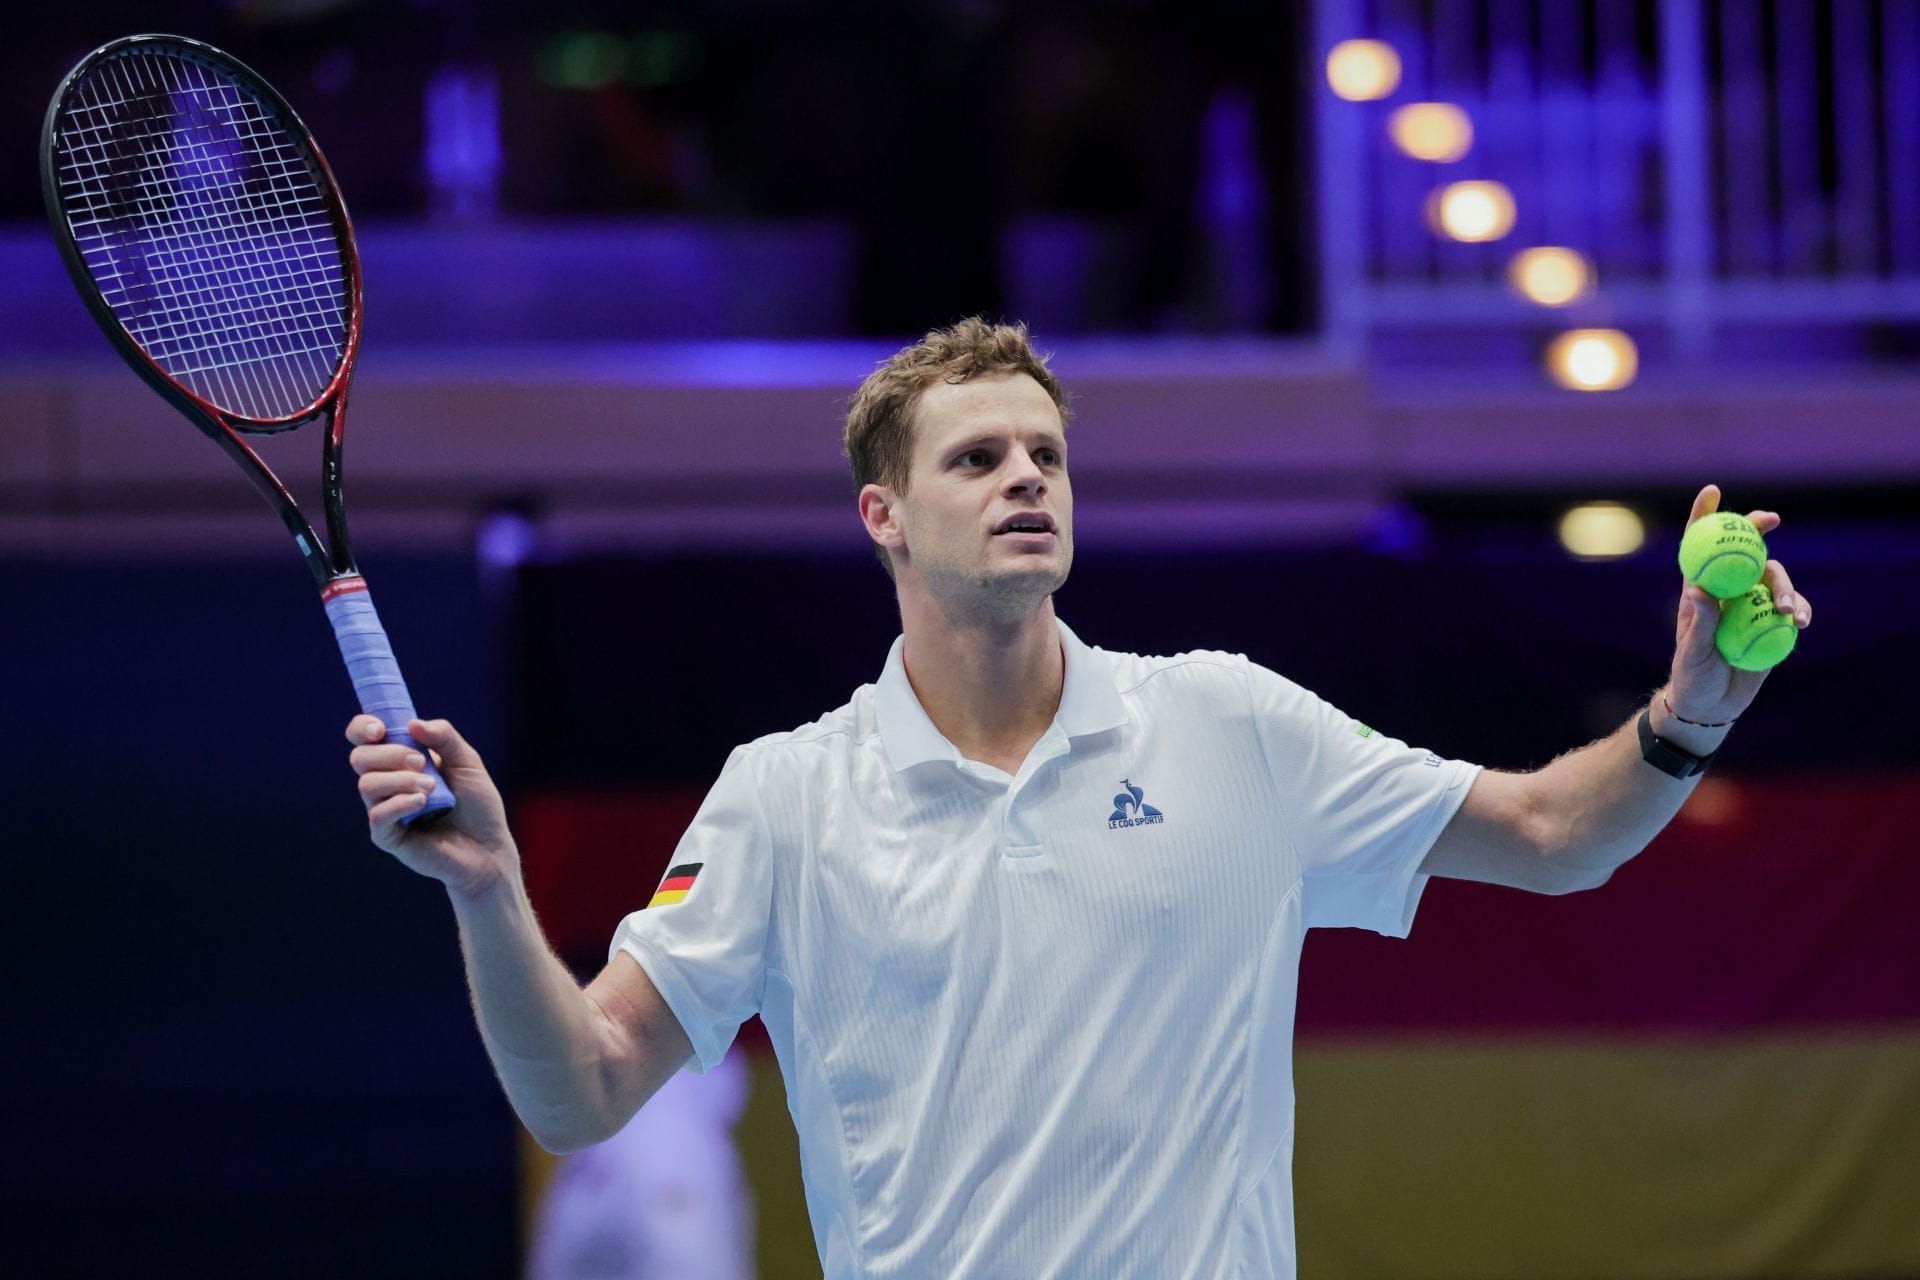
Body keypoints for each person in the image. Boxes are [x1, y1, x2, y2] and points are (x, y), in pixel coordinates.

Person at [347, 318, 1814, 1277]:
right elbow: (582, 1091)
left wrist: (1690, 711)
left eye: (1045, 454)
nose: (1024, 480)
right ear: (886, 518)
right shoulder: (786, 799)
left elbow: (1555, 837)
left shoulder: (1227, 720)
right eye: (976, 459)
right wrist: (491, 892)